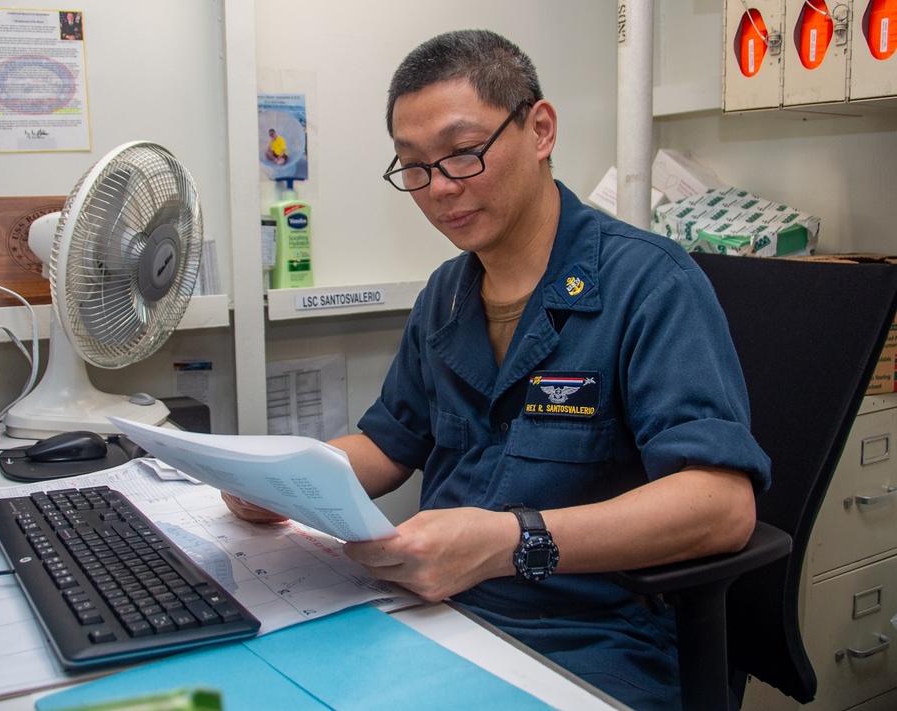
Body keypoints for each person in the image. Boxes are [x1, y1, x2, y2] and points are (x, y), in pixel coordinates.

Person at [225, 29, 770, 710]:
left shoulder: (650, 285)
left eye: (462, 153)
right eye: (414, 166)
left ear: (539, 129)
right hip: (437, 617)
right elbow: (388, 443)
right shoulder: (446, 295)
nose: (439, 188)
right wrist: (283, 478)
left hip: (591, 638)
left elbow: (721, 506)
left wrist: (515, 542)